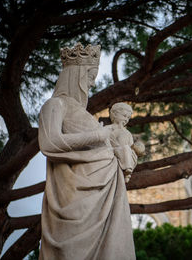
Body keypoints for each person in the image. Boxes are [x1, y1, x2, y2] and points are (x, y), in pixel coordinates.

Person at [38, 43, 135, 260]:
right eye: (90, 75)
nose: (92, 82)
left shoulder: (83, 114)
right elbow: (49, 143)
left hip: (106, 187)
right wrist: (99, 135)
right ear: (75, 74)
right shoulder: (54, 105)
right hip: (73, 193)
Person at [107, 102, 144, 183]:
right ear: (114, 114)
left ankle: (128, 170)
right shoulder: (108, 128)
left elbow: (131, 146)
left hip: (126, 154)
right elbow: (106, 139)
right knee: (125, 149)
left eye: (128, 117)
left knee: (128, 150)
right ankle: (127, 169)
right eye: (124, 116)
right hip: (113, 150)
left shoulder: (127, 133)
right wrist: (117, 131)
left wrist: (138, 148)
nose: (126, 119)